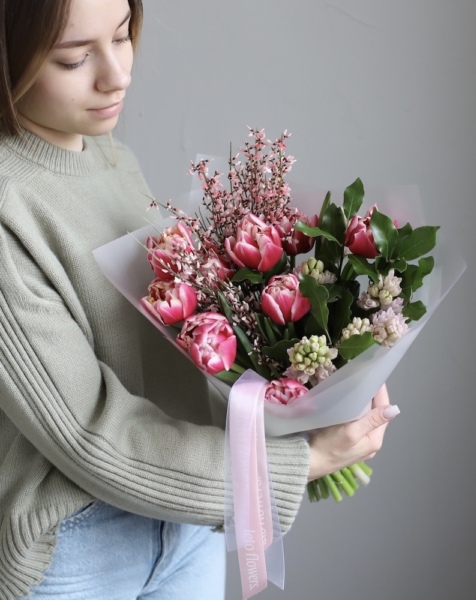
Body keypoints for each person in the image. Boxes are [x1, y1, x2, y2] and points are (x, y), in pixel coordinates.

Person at [0, 0, 400, 598]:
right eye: (74, 58)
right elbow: (88, 432)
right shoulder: (10, 207)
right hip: (79, 545)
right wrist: (295, 466)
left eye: (121, 35)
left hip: (188, 518)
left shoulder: (110, 157)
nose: (117, 74)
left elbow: (163, 350)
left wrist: (298, 390)